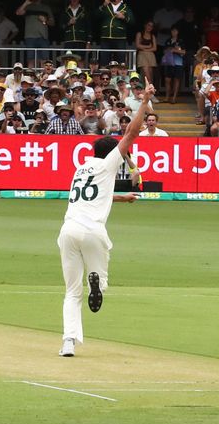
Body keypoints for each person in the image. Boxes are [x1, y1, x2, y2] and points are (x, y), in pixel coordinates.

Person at [58, 83, 154, 357]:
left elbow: (92, 197)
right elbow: (132, 132)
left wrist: (122, 199)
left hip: (68, 229)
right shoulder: (110, 162)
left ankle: (68, 342)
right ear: (112, 153)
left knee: (71, 292)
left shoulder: (81, 169)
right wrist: (145, 100)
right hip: (93, 232)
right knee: (99, 280)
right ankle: (97, 281)